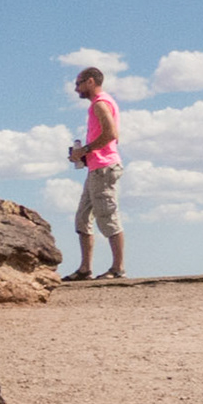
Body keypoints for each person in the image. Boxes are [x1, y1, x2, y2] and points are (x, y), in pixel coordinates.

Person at [64, 66, 125, 281]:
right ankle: (84, 269)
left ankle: (117, 268)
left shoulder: (100, 104)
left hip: (104, 167)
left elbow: (111, 134)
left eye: (78, 83)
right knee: (82, 218)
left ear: (90, 82)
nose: (76, 88)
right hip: (96, 168)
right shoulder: (98, 104)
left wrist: (86, 150)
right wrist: (84, 156)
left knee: (107, 216)